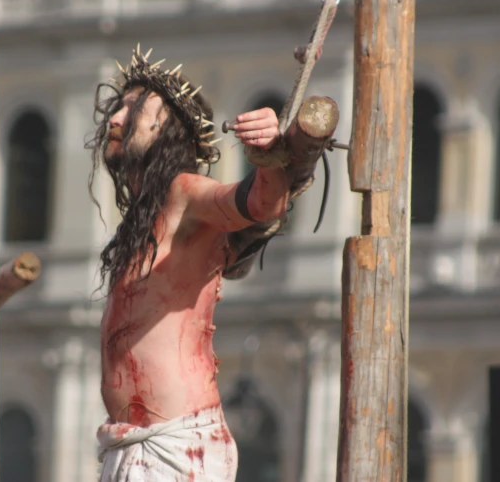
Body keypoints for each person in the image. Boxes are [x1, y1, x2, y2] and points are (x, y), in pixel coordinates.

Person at [86, 46, 325, 481]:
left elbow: (261, 204)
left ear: (166, 129)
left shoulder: (184, 193)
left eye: (133, 109)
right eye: (116, 107)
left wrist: (268, 154)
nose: (116, 119)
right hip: (134, 445)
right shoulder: (139, 222)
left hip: (178, 448)